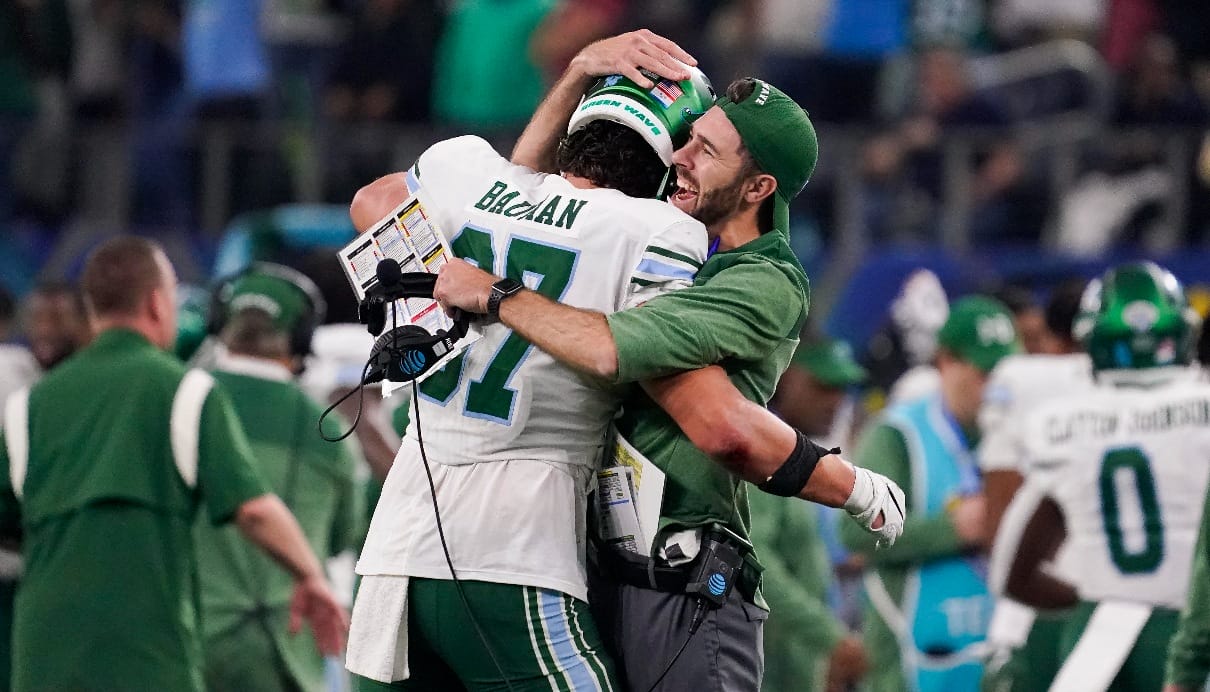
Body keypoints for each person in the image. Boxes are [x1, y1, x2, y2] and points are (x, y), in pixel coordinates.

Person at [427, 32, 904, 690]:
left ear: (758, 186)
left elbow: (620, 353)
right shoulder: (659, 229)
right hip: (606, 571)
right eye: (688, 137)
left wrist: (496, 292)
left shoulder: (764, 279)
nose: (677, 155)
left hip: (685, 589)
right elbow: (523, 204)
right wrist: (580, 71)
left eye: (705, 150)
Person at [345, 42, 717, 692]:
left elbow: (373, 200)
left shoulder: (468, 173)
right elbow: (634, 352)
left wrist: (576, 71)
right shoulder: (659, 231)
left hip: (395, 557)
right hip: (514, 550)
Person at [0, 236, 348, 692]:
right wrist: (310, 575)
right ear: (156, 303)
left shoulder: (26, 407)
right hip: (148, 655)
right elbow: (254, 510)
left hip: (42, 657)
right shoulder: (188, 392)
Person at [999, 262, 1208, 692]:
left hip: (1096, 642)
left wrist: (1100, 596)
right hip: (1189, 630)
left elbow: (1012, 571)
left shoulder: (1061, 422)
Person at [195, 263, 363, 692]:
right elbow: (342, 536)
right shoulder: (325, 428)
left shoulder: (179, 402)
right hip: (285, 648)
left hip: (187, 643)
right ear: (300, 337)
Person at [840, 296, 1019, 692]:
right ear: (946, 362)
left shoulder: (1019, 430)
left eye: (1004, 372)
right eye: (983, 372)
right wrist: (952, 529)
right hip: (911, 659)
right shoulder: (896, 435)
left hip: (995, 651)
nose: (994, 386)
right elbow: (853, 532)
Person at [978, 277, 1092, 692]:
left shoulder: (1020, 379)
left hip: (1037, 611)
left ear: (1053, 336)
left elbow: (998, 532)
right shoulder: (1184, 393)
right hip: (1136, 613)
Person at [751, 338, 869, 692]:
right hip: (768, 667)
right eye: (823, 386)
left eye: (842, 389)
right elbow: (757, 561)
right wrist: (830, 639)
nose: (836, 401)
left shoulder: (801, 453)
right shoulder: (761, 450)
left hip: (802, 664)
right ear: (786, 377)